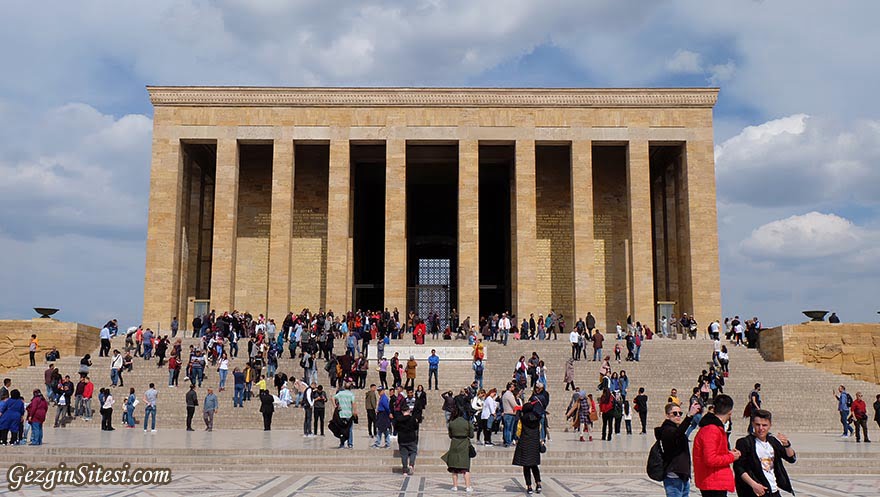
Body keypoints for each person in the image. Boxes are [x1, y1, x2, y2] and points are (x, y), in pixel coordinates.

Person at [732, 409, 796, 497]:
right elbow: (739, 468)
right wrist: (754, 485)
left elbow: (791, 458)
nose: (761, 428)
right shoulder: (745, 443)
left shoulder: (772, 441)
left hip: (773, 490)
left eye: (764, 425)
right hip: (756, 490)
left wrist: (787, 445)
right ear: (753, 424)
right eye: (758, 425)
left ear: (770, 425)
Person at [693, 394, 741, 497]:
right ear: (730, 412)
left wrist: (728, 453)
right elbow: (710, 459)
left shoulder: (713, 428)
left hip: (713, 480)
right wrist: (732, 456)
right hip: (713, 481)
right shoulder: (712, 429)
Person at [657, 400, 702, 497]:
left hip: (683, 476)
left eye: (680, 413)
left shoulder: (675, 429)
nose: (678, 415)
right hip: (673, 477)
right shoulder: (666, 430)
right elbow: (677, 434)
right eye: (674, 413)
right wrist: (689, 416)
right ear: (667, 415)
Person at [513, 399, 544, 495]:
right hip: (534, 443)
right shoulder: (537, 418)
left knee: (526, 466)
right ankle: (538, 484)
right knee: (534, 465)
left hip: (524, 443)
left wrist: (518, 437)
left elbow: (518, 431)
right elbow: (539, 429)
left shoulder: (522, 419)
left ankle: (529, 486)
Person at [442, 406, 474, 493]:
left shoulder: (451, 423)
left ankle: (455, 486)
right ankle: (467, 487)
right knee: (465, 467)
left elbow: (450, 435)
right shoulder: (467, 423)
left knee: (454, 467)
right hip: (464, 444)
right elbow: (471, 435)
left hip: (454, 444)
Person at [395, 403, 421, 475]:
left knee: (404, 455)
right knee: (413, 452)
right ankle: (411, 464)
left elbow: (396, 428)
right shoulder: (412, 419)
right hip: (411, 439)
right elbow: (416, 427)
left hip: (402, 439)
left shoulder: (398, 419)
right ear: (408, 410)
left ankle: (404, 471)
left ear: (402, 411)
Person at [334, 381, 357, 448]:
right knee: (349, 429)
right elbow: (353, 403)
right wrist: (354, 411)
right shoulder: (351, 394)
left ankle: (342, 444)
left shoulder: (340, 393)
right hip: (349, 414)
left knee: (342, 430)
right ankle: (350, 444)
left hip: (341, 414)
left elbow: (332, 398)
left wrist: (335, 406)